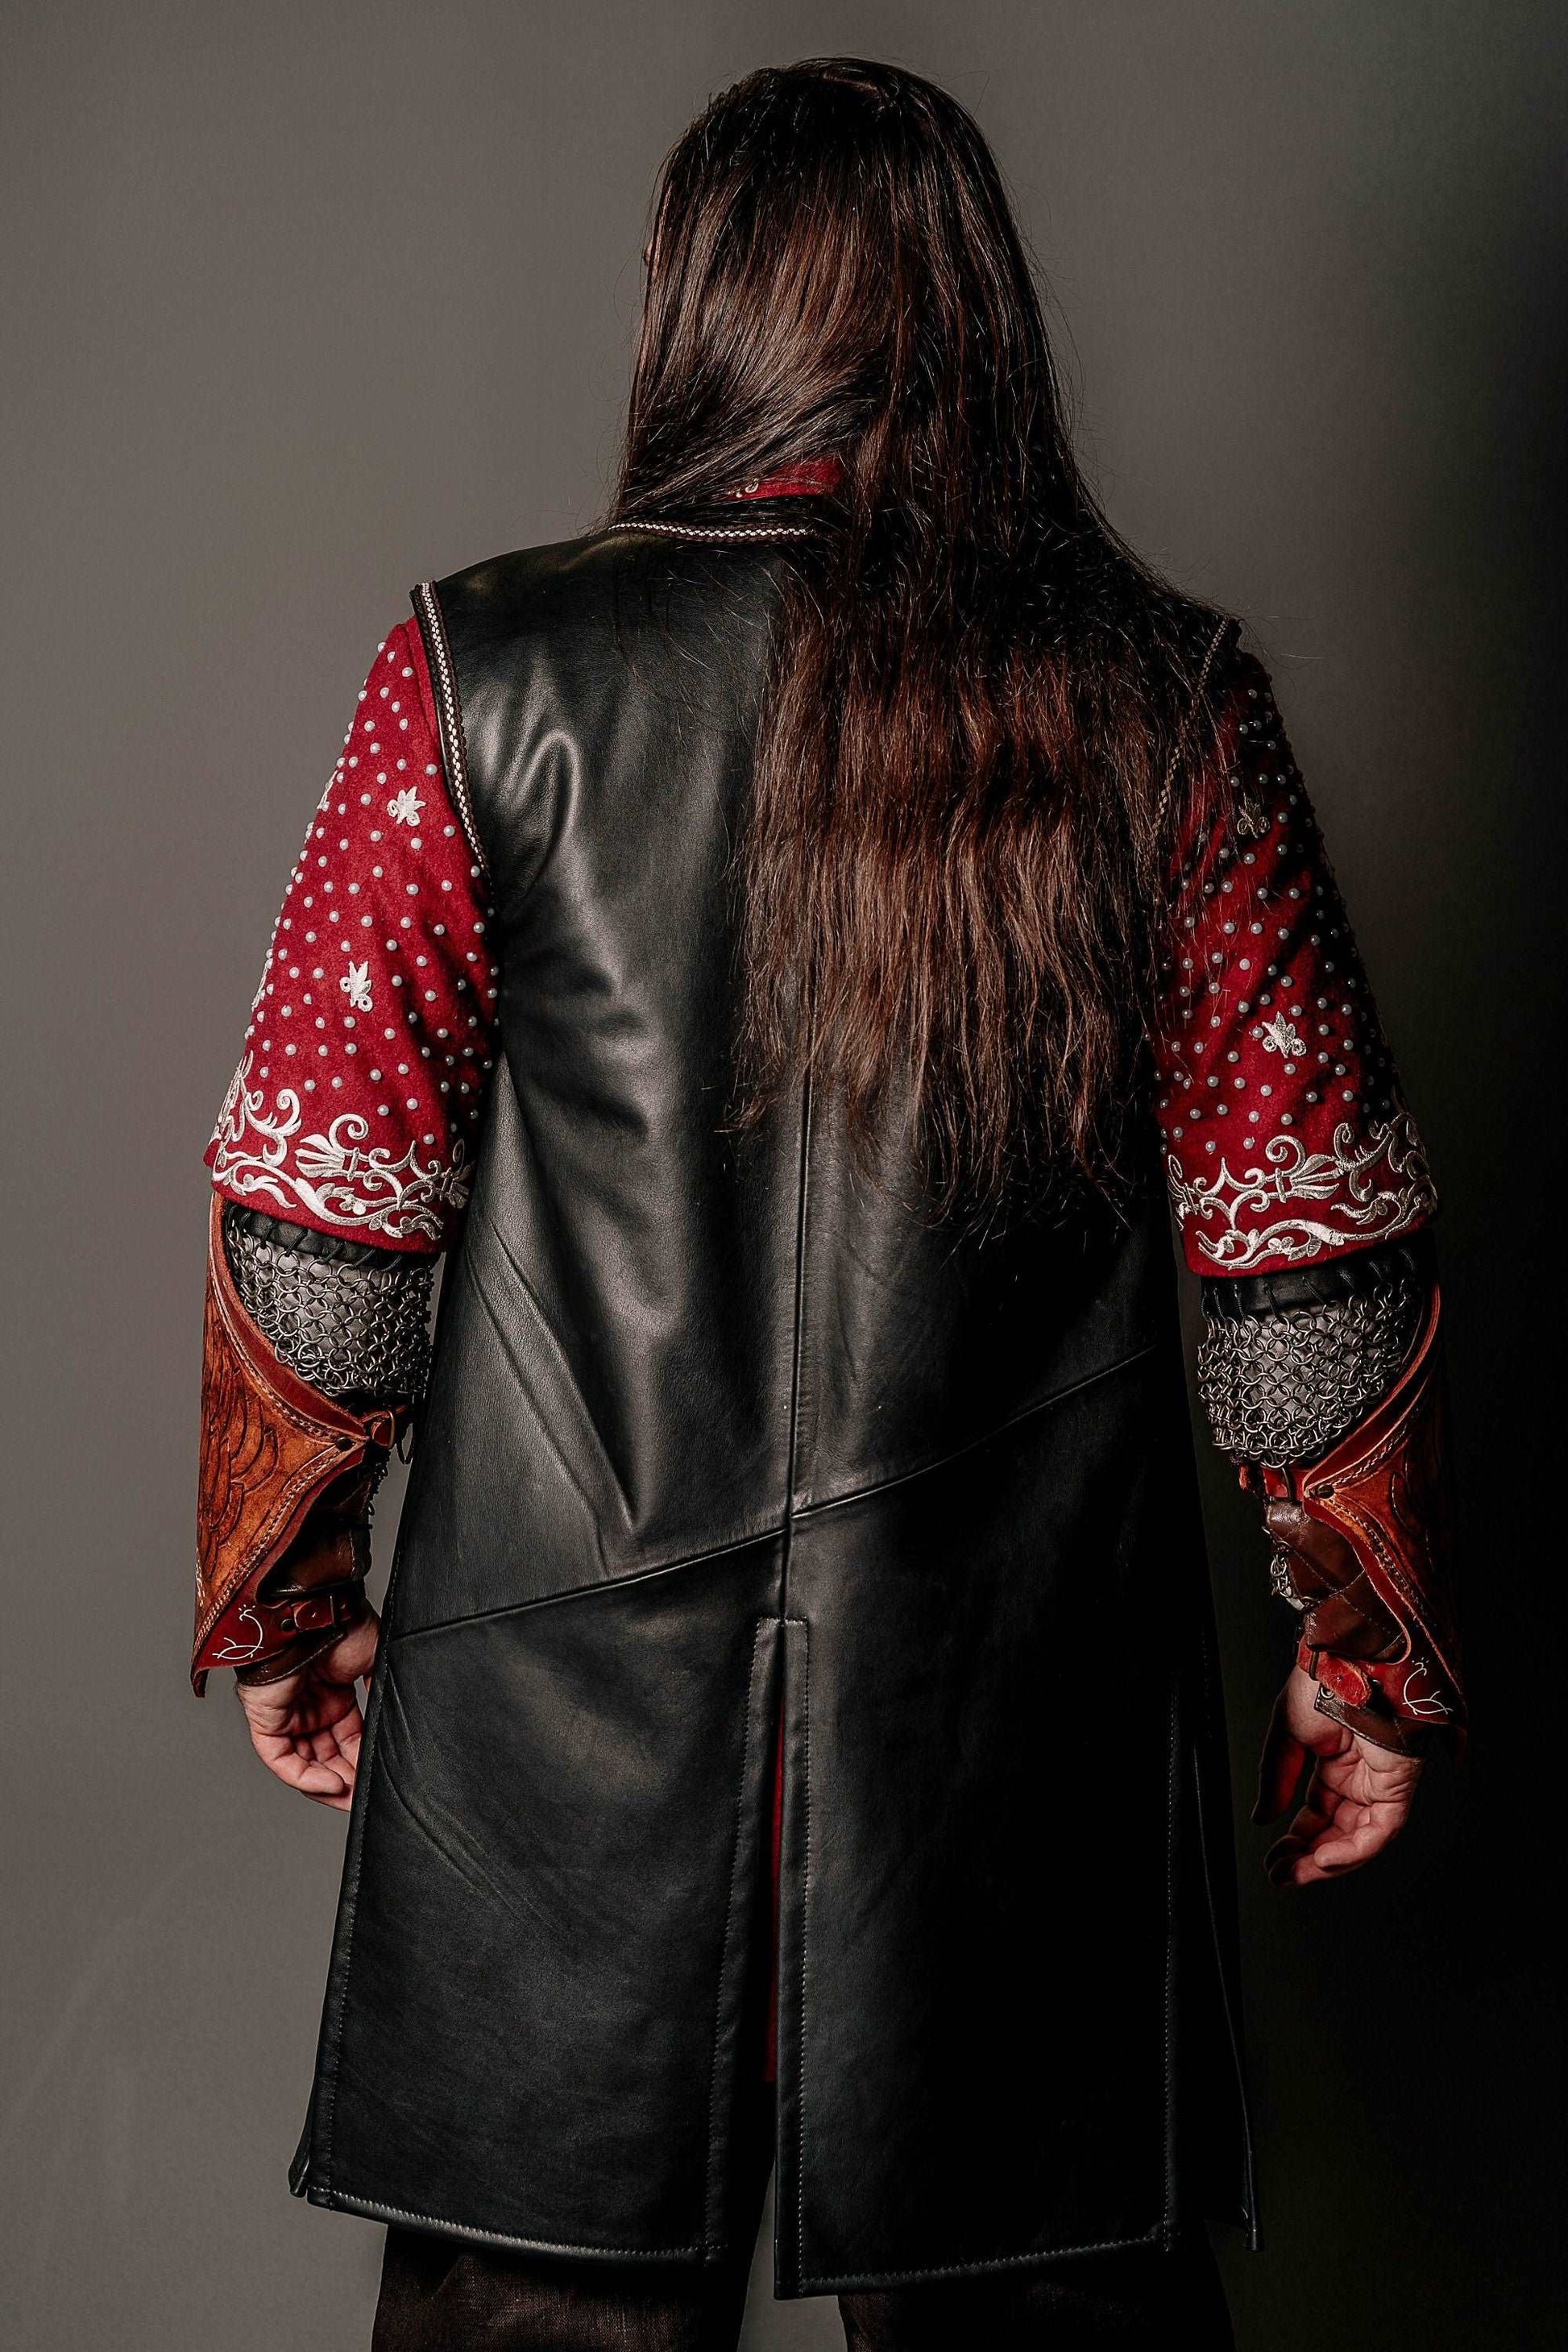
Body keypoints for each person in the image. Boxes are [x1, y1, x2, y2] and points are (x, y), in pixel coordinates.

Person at [193, 57, 1462, 2352]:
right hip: (1015, 1743)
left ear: (690, 305)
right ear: (984, 312)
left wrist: (285, 1597)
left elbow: (328, 1204)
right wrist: (1361, 1651)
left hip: (557, 1739)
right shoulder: (1163, 706)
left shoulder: (484, 674)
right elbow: (1307, 1240)